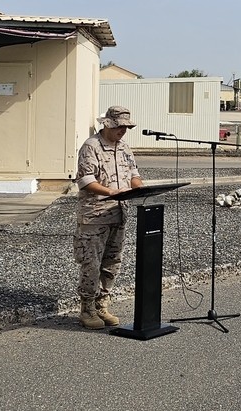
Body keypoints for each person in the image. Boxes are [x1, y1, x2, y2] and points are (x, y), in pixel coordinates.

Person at [73, 106, 144, 329]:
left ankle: (102, 304)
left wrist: (140, 189)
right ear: (107, 125)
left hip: (119, 214)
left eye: (125, 127)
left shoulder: (124, 148)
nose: (122, 131)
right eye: (119, 127)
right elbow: (86, 180)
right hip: (95, 215)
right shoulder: (91, 147)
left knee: (112, 262)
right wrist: (111, 192)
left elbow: (134, 175)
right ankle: (87, 308)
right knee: (91, 263)